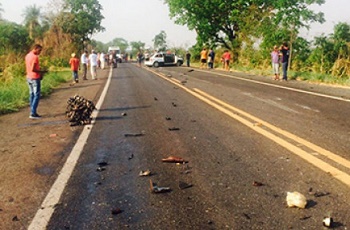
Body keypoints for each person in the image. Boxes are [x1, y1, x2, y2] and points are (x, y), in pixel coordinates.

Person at [25, 44, 47, 119]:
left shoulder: (27, 56)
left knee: (32, 94)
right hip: (34, 78)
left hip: (28, 77)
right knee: (37, 95)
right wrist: (42, 72)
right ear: (36, 48)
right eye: (39, 50)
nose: (40, 52)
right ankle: (33, 113)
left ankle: (32, 111)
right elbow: (33, 69)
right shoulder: (35, 57)